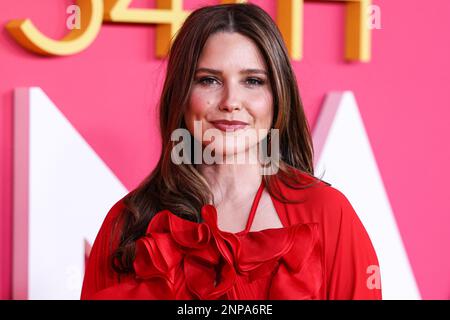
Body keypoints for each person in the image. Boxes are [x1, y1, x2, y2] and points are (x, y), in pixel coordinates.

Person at [81, 3, 382, 300]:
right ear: (181, 94)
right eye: (209, 80)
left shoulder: (328, 213)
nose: (230, 101)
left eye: (252, 81)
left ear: (278, 95)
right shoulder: (127, 223)